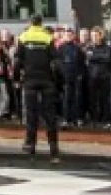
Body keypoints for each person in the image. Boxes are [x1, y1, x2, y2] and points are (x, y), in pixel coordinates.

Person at [17, 15, 61, 162]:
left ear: (30, 23)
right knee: (50, 115)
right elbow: (55, 61)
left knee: (31, 113)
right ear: (42, 23)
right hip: (46, 80)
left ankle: (30, 145)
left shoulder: (23, 37)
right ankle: (53, 147)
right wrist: (58, 82)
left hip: (30, 80)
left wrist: (17, 79)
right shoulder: (48, 37)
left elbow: (17, 61)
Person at [58, 28, 86, 126]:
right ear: (64, 36)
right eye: (67, 35)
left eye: (70, 35)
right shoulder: (61, 48)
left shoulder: (78, 48)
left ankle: (78, 118)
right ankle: (66, 119)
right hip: (65, 78)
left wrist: (80, 75)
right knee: (66, 98)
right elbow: (58, 63)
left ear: (73, 36)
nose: (69, 36)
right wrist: (62, 74)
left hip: (76, 77)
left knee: (77, 98)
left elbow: (82, 63)